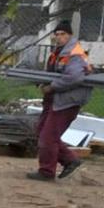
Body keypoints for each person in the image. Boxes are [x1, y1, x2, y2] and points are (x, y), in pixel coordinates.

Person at [31, 21, 88, 182]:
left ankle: (46, 172)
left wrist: (52, 87)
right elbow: (51, 73)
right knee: (42, 131)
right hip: (55, 99)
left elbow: (75, 77)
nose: (59, 37)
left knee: (48, 136)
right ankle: (70, 160)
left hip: (67, 101)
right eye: (56, 34)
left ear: (70, 35)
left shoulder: (75, 53)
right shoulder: (58, 52)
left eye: (62, 34)